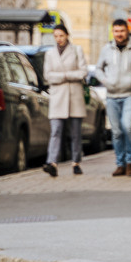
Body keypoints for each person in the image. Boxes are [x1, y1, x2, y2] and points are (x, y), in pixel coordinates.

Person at [95, 19, 131, 177]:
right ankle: (120, 164)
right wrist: (105, 80)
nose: (119, 34)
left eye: (122, 31)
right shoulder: (106, 49)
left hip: (129, 95)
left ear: (127, 31)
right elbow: (98, 68)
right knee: (117, 132)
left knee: (128, 127)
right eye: (116, 31)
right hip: (112, 95)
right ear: (112, 32)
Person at [41, 24, 87, 177]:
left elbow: (83, 72)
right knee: (56, 131)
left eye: (61, 36)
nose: (58, 39)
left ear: (67, 35)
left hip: (74, 96)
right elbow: (48, 76)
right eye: (56, 36)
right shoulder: (50, 54)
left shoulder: (76, 50)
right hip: (58, 97)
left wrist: (62, 75)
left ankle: (76, 162)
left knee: (75, 133)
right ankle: (52, 162)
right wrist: (67, 75)